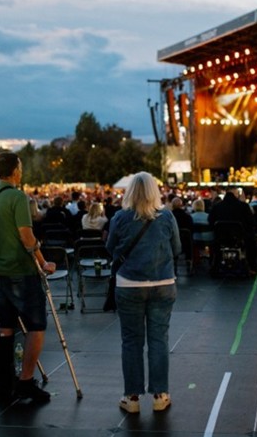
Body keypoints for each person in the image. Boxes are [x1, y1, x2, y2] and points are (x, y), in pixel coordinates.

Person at [0, 152, 56, 404]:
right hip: (22, 272)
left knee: (5, 325)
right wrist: (44, 263)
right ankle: (25, 381)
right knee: (36, 326)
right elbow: (27, 236)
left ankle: (4, 384)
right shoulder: (17, 197)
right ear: (15, 171)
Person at [106, 171, 180, 414]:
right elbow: (177, 248)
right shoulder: (167, 217)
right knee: (159, 340)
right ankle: (160, 394)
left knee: (132, 342)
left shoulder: (120, 217)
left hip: (129, 285)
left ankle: (132, 397)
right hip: (163, 284)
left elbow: (110, 248)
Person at [208, 186, 257, 273]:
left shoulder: (217, 207)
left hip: (221, 238)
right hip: (240, 238)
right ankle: (252, 267)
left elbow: (210, 221)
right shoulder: (244, 206)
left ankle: (215, 266)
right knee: (253, 239)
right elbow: (252, 223)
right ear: (235, 193)